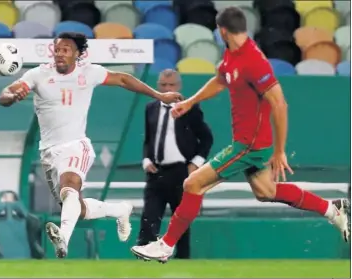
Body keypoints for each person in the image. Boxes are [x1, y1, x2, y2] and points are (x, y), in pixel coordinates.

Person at [131, 7, 350, 262]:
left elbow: (280, 104)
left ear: (222, 31)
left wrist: (279, 151)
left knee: (192, 184)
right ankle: (332, 209)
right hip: (250, 144)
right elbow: (220, 80)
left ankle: (166, 245)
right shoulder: (232, 53)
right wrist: (190, 102)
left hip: (250, 146)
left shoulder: (254, 62)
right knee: (266, 192)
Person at [0, 32, 182, 259]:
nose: (60, 54)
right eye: (57, 49)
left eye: (65, 49)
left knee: (70, 188)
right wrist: (11, 96)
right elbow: (5, 94)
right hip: (49, 152)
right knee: (77, 207)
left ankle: (63, 238)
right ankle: (119, 210)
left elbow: (124, 79)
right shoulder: (38, 75)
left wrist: (158, 95)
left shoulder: (89, 72)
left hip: (76, 145)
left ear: (77, 54)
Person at [137, 69, 213, 259]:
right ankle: (143, 258)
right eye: (163, 85)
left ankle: (182, 258)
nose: (167, 88)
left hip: (181, 172)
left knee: (181, 219)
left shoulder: (190, 108)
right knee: (149, 217)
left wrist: (196, 163)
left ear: (178, 87)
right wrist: (146, 159)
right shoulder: (150, 108)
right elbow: (149, 139)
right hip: (155, 172)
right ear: (157, 85)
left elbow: (206, 138)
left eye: (171, 85)